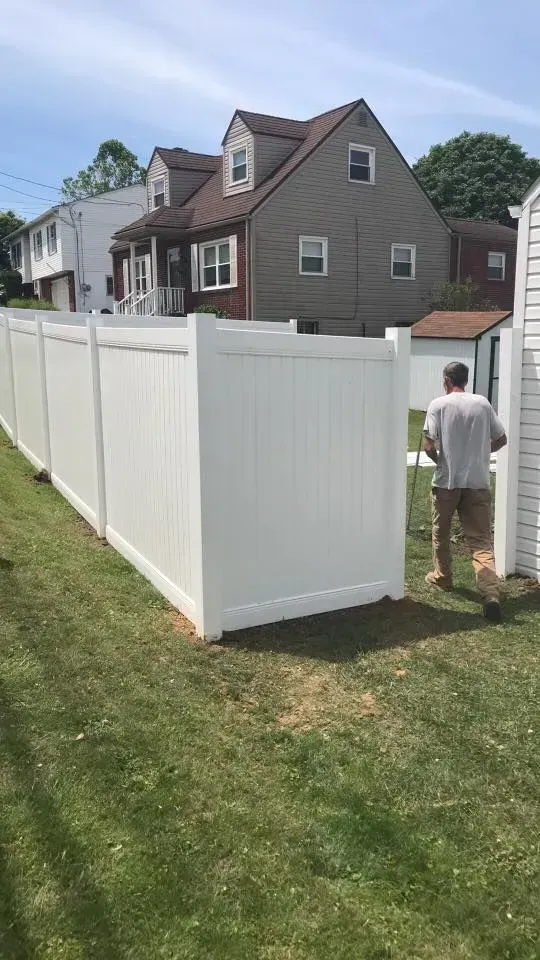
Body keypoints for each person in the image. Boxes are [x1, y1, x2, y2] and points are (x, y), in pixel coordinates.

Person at [423, 361, 507, 623]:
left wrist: (441, 461)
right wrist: (479, 455)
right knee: (481, 540)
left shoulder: (438, 404)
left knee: (442, 533)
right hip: (478, 482)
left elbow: (428, 445)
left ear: (446, 380)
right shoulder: (482, 403)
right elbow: (501, 439)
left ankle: (443, 577)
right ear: (466, 380)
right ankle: (490, 594)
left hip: (447, 482)